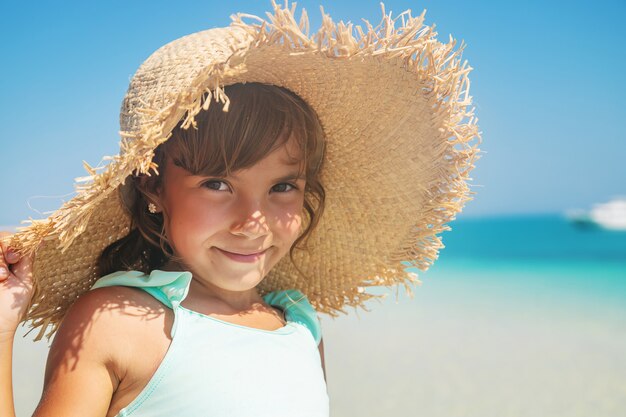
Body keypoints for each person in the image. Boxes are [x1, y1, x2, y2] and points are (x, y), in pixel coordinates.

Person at [0, 2, 480, 416]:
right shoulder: (118, 323)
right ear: (153, 187)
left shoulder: (300, 327)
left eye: (282, 186)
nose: (255, 220)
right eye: (217, 183)